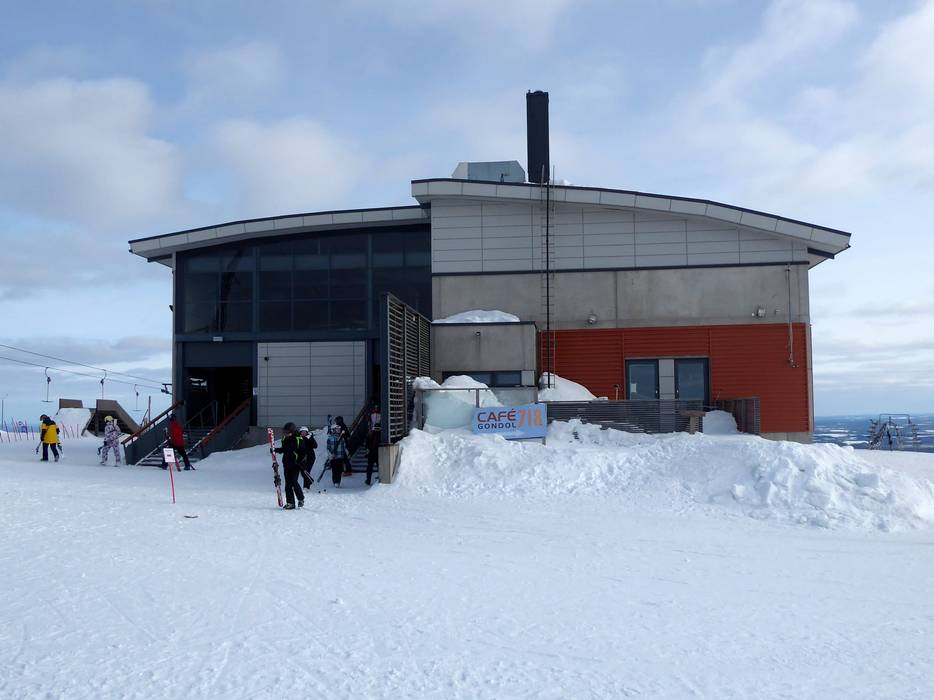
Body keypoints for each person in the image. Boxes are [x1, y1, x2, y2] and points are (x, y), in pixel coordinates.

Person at [274, 422, 305, 509]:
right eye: (285, 432)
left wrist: (301, 462)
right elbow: (285, 450)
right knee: (288, 483)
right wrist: (275, 450)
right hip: (287, 463)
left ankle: (301, 499)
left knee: (294, 481)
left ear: (292, 431)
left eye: (287, 432)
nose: (285, 434)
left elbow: (302, 452)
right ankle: (290, 503)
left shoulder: (298, 439)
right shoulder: (285, 438)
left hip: (295, 464)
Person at [327, 416, 350, 487]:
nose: (339, 430)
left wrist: (346, 452)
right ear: (334, 430)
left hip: (340, 456)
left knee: (340, 470)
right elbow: (328, 448)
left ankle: (338, 481)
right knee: (334, 470)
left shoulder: (341, 438)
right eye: (337, 429)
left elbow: (344, 446)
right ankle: (335, 481)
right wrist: (330, 455)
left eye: (339, 429)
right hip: (333, 457)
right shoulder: (330, 438)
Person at [365, 421, 380, 486]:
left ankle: (368, 480)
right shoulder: (381, 434)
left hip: (371, 454)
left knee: (369, 467)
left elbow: (366, 444)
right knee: (379, 466)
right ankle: (381, 478)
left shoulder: (370, 434)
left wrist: (367, 450)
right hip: (378, 453)